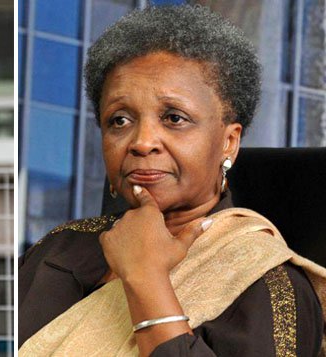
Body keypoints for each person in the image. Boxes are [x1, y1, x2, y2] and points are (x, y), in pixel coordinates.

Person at [18, 5, 326, 356]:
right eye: (119, 120)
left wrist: (145, 278)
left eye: (174, 118)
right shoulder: (57, 250)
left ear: (228, 141)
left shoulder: (269, 284)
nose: (142, 141)